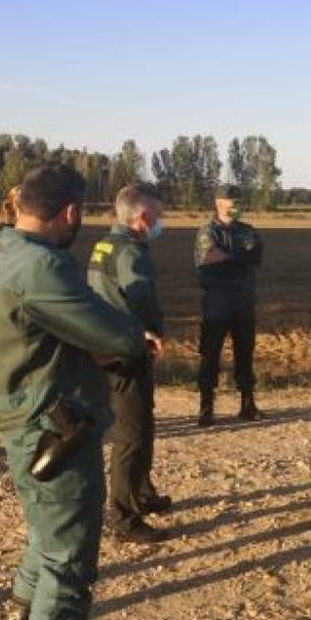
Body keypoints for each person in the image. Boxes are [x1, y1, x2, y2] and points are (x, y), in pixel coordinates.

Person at [0, 165, 149, 620]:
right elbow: (116, 335)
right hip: (55, 424)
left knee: (45, 534)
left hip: (20, 409)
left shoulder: (2, 249)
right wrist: (130, 337)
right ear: (70, 212)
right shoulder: (42, 265)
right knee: (69, 555)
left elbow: (42, 325)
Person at [87, 183, 172, 544]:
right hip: (127, 349)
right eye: (158, 215)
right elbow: (141, 299)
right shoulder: (132, 253)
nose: (161, 221)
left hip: (107, 343)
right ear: (142, 217)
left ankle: (143, 492)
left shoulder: (105, 244)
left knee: (142, 422)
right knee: (132, 435)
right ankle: (123, 517)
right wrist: (155, 331)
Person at [194, 183, 264, 427]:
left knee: (245, 355)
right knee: (210, 356)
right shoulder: (207, 232)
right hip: (216, 303)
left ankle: (247, 404)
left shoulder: (248, 230)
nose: (237, 207)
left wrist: (227, 255)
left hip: (244, 302)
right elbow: (209, 256)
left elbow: (256, 256)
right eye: (233, 203)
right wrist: (238, 255)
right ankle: (206, 408)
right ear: (219, 204)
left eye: (239, 202)